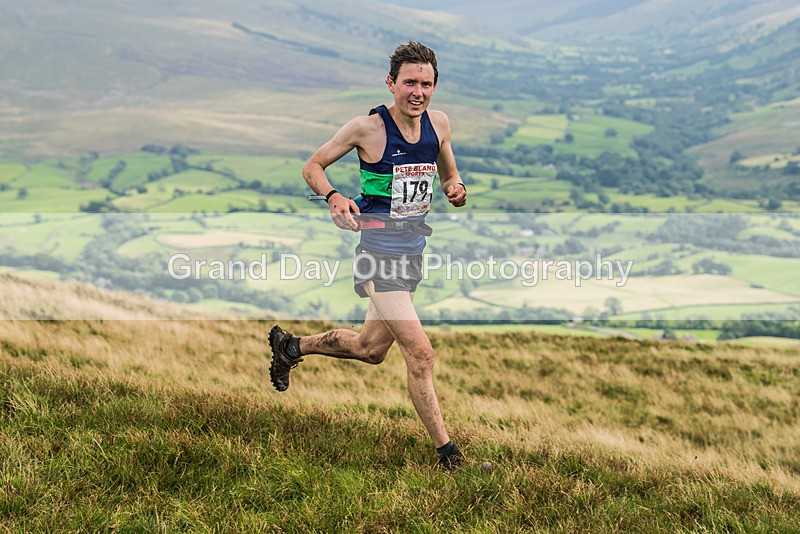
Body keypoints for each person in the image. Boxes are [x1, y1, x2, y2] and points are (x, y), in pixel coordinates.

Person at [269, 41, 468, 469]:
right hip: (378, 253)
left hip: (412, 251)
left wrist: (456, 189)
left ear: (435, 87)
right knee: (421, 354)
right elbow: (312, 166)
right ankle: (448, 456)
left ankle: (291, 346)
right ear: (391, 83)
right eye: (410, 82)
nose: (418, 91)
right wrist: (334, 196)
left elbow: (450, 174)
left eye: (427, 84)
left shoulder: (440, 124)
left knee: (370, 349)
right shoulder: (367, 128)